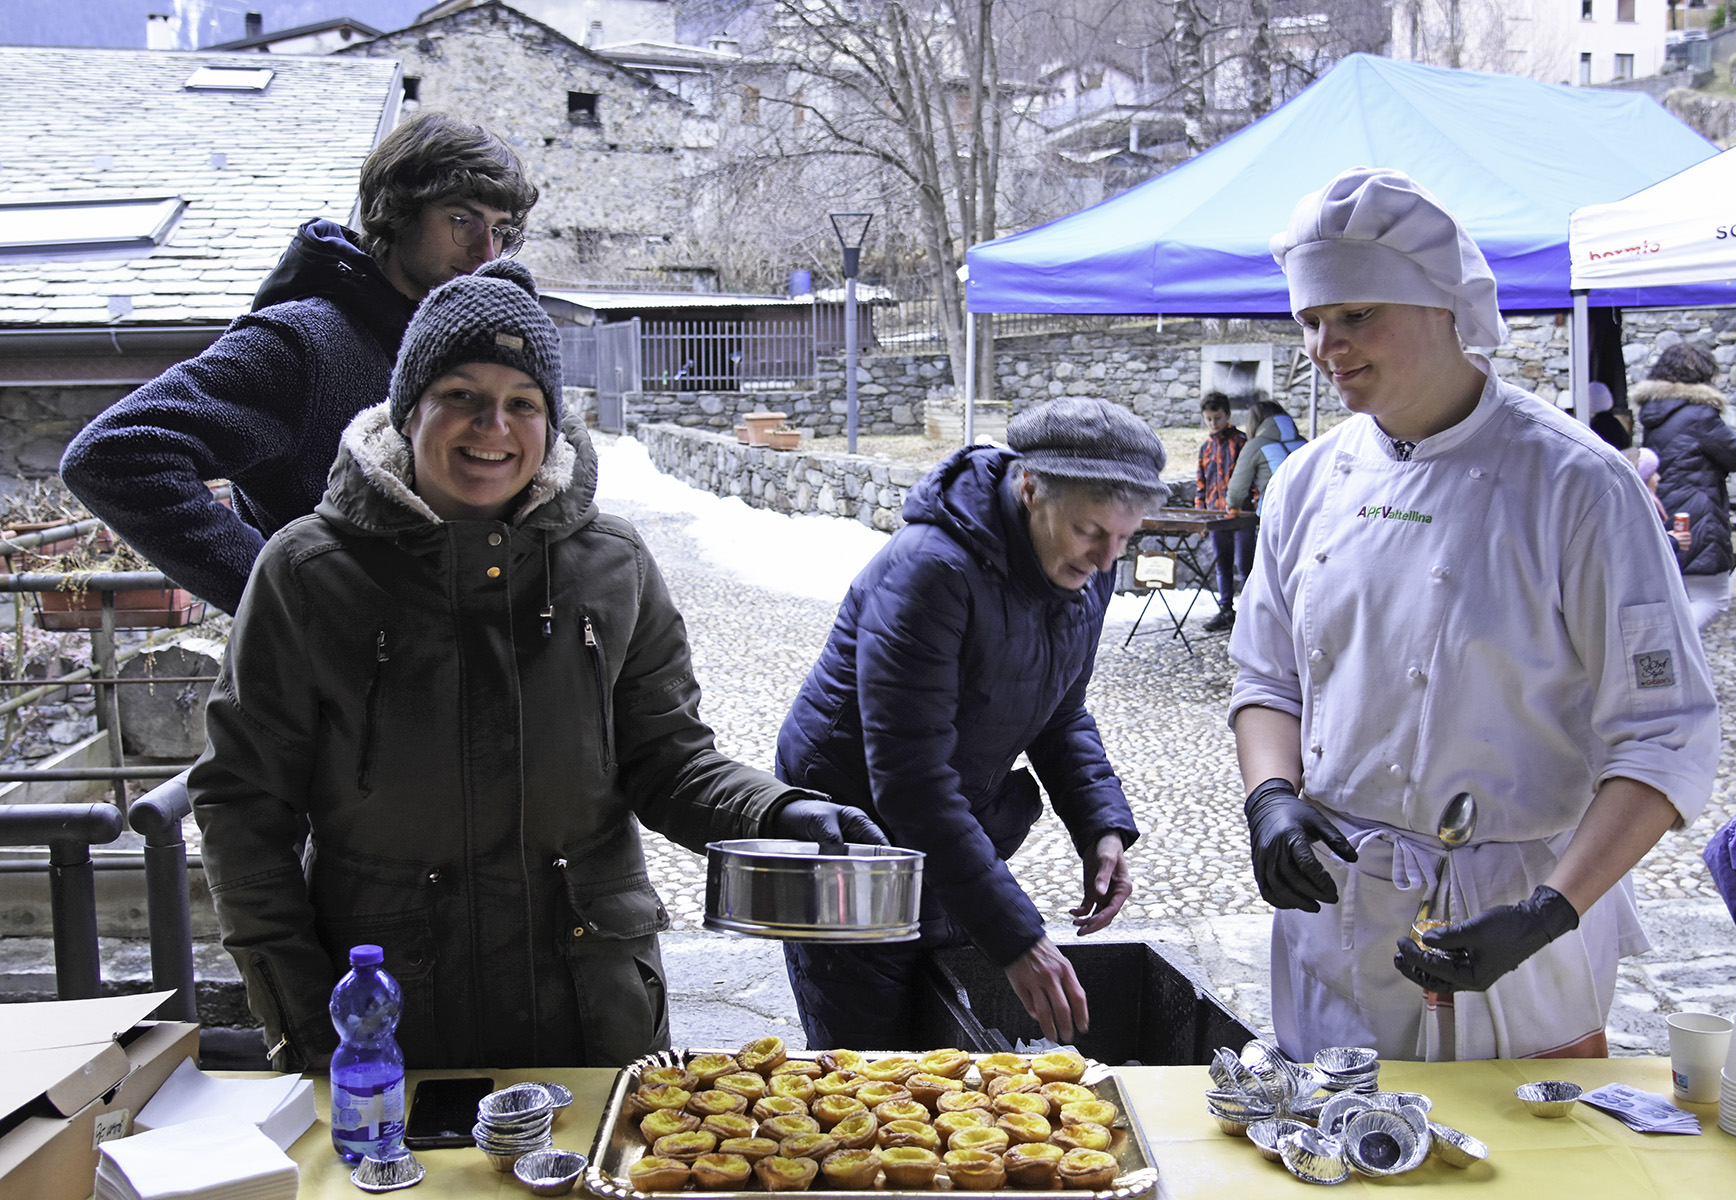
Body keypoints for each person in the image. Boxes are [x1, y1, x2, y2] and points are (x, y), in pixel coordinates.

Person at [190, 259, 880, 1071]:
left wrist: (779, 814)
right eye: (462, 397)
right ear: (410, 410)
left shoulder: (612, 565)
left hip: (589, 1013)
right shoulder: (307, 573)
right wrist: (302, 1012)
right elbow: (243, 807)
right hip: (390, 1021)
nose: (494, 428)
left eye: (524, 404)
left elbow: (667, 761)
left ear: (552, 424)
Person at [1229, 166, 1720, 1062]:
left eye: (1355, 316)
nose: (1324, 346)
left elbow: (1664, 736)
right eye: (1310, 321)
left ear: (1443, 305)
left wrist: (1548, 913)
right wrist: (1271, 797)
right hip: (1342, 917)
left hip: (1515, 917)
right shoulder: (1307, 482)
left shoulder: (1577, 484)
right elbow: (1267, 677)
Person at [775, 397, 1165, 1049]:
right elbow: (911, 784)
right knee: (866, 1051)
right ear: (1029, 488)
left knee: (940, 1027)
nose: (1105, 561)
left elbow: (1060, 710)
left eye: (1124, 540)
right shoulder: (929, 569)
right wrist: (1019, 937)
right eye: (1091, 532)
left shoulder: (1084, 571)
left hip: (950, 823)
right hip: (847, 826)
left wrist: (1100, 825)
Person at [60, 112, 537, 616]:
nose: (487, 252)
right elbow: (113, 456)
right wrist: (287, 606)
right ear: (397, 212)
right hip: (338, 685)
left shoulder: (457, 348)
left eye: (502, 231)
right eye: (462, 220)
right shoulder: (304, 343)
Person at [1633, 341, 1736, 633]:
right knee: (1713, 599)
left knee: (1680, 596)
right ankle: (1672, 645)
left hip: (1669, 513)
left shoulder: (1654, 413)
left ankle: (1677, 662)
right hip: (1700, 517)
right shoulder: (1700, 415)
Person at [1196, 392, 1254, 633]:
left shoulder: (1241, 442)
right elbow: (1201, 482)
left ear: (1227, 415)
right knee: (1223, 564)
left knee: (1245, 565)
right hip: (1216, 515)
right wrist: (1201, 514)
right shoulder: (1206, 448)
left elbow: (1250, 475)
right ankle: (1226, 609)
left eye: (1217, 418)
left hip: (1242, 515)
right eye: (1208, 419)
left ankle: (1251, 612)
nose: (1213, 423)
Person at [1225, 398, 1306, 514]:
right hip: (1308, 511)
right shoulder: (1305, 443)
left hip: (1275, 513)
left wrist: (1233, 506)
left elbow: (1237, 490)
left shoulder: (1255, 446)